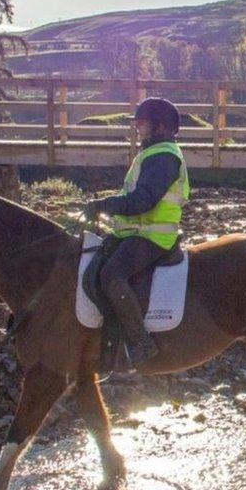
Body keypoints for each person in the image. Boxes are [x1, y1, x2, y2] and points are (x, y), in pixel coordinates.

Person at [83, 97, 190, 368]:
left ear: (160, 126)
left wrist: (104, 205)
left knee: (111, 275)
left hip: (153, 237)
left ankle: (141, 342)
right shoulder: (151, 154)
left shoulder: (164, 157)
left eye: (142, 124)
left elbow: (143, 201)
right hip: (135, 232)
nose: (138, 129)